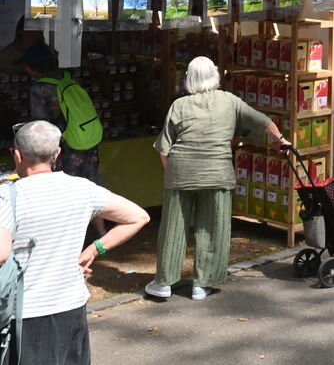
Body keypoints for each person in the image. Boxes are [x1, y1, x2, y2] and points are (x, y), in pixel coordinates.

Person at [0, 121, 150, 365]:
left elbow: (1, 253)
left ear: (16, 155)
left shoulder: (7, 196)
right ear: (57, 153)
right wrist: (94, 249)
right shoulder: (82, 188)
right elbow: (138, 217)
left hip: (27, 316)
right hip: (72, 308)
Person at [146, 56, 289, 300]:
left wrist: (172, 172)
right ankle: (202, 284)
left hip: (181, 171)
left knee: (173, 228)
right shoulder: (230, 101)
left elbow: (163, 148)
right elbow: (264, 121)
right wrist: (281, 140)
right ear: (215, 76)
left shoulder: (179, 105)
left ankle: (164, 283)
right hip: (217, 171)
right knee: (212, 227)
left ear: (188, 78)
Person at [19, 42, 105, 236]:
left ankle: (69, 235)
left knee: (64, 190)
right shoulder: (67, 77)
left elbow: (40, 125)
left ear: (34, 67)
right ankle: (101, 231)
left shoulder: (39, 89)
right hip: (85, 137)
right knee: (92, 183)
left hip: (64, 145)